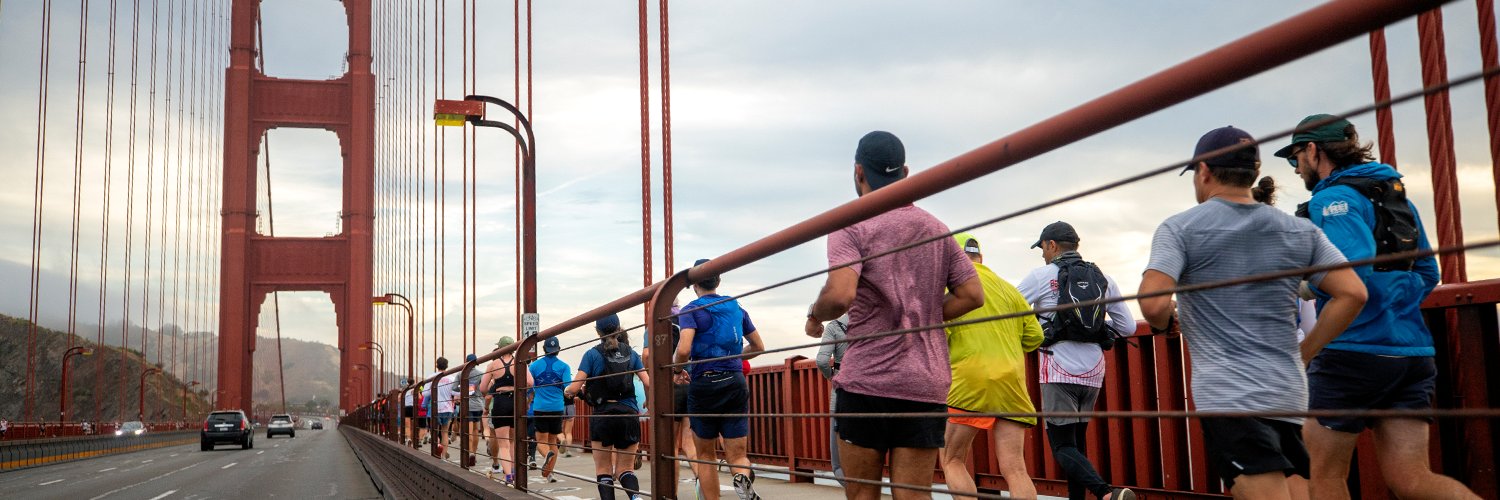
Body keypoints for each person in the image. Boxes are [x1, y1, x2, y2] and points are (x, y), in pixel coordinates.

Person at [1139, 126, 1366, 500]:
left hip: (1229, 396)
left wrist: (1165, 324)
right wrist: (1304, 354)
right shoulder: (1298, 230)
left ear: (1204, 172)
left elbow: (1153, 303)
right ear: (1254, 172)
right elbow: (1353, 293)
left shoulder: (1180, 228)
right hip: (1288, 391)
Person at [1275, 115, 1477, 499]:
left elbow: (1352, 271)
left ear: (1313, 150)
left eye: (1295, 157)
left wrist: (1307, 288)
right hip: (1411, 352)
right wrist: (1392, 305)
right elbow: (1428, 272)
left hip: (1351, 353)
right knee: (1412, 479)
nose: (1296, 167)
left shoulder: (1332, 199)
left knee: (1323, 477)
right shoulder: (1396, 196)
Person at [804, 130, 985, 500]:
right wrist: (924, 314)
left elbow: (839, 295)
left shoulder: (851, 224)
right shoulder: (935, 228)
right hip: (924, 383)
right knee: (913, 496)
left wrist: (815, 316)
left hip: (867, 382)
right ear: (905, 173)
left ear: (859, 172)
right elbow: (972, 295)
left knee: (862, 495)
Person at [1016, 222, 1138, 500]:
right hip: (1093, 371)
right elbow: (1128, 327)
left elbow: (1010, 310)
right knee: (1076, 448)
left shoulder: (1040, 276)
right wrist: (1096, 329)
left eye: (1042, 248)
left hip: (1058, 368)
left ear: (1052, 245)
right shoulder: (1103, 277)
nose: (1043, 254)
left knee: (1062, 446)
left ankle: (1106, 494)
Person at [940, 232, 1042, 500]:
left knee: (953, 460)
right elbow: (1035, 337)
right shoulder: (1009, 289)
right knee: (1016, 468)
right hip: (1011, 382)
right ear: (980, 257)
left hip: (969, 379)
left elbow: (939, 336)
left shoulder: (950, 289)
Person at [675, 257, 767, 500]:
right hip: (734, 381)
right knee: (738, 455)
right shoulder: (736, 307)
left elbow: (683, 349)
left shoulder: (691, 310)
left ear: (695, 285)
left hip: (705, 383)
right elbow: (758, 346)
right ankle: (742, 477)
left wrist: (677, 370)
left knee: (706, 456)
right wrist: (734, 356)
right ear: (718, 281)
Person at [566, 314, 651, 500]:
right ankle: (636, 498)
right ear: (619, 329)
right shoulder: (631, 353)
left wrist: (567, 392)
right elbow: (648, 382)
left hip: (603, 416)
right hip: (628, 414)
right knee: (625, 469)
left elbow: (574, 387)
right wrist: (649, 402)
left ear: (598, 332)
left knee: (603, 469)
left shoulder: (592, 354)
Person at [640, 303, 697, 485]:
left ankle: (672, 493)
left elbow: (646, 355)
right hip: (690, 383)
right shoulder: (685, 321)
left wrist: (652, 378)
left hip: (670, 386)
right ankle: (702, 482)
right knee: (689, 443)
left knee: (670, 446)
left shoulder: (655, 324)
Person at [529, 336, 572, 482]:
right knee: (553, 441)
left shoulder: (534, 366)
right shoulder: (564, 367)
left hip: (540, 407)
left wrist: (528, 400)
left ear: (544, 349)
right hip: (557, 407)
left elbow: (528, 386)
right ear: (558, 349)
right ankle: (550, 474)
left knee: (541, 441)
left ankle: (546, 456)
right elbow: (568, 388)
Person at [482, 336, 524, 482]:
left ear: (499, 348)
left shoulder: (493, 365)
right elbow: (530, 382)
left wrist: (493, 390)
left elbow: (483, 388)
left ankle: (508, 476)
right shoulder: (519, 362)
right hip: (516, 401)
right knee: (512, 441)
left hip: (500, 402)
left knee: (503, 444)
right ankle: (514, 471)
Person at [813, 313, 849, 484]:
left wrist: (831, 376)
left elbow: (821, 361)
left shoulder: (835, 326)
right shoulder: (874, 321)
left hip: (842, 395)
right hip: (873, 395)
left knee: (838, 465)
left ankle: (858, 492)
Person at [431, 357, 459, 458]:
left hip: (435, 408)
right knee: (445, 432)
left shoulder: (431, 377)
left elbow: (425, 394)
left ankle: (437, 448)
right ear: (447, 366)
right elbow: (455, 393)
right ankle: (443, 456)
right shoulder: (452, 378)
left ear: (436, 365)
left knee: (435, 430)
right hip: (447, 408)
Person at [462, 353, 485, 467]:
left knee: (469, 431)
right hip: (478, 404)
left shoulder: (462, 373)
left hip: (467, 405)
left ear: (466, 361)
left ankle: (470, 452)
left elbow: (454, 388)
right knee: (476, 430)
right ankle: (474, 454)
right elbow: (484, 388)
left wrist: (464, 389)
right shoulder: (481, 373)